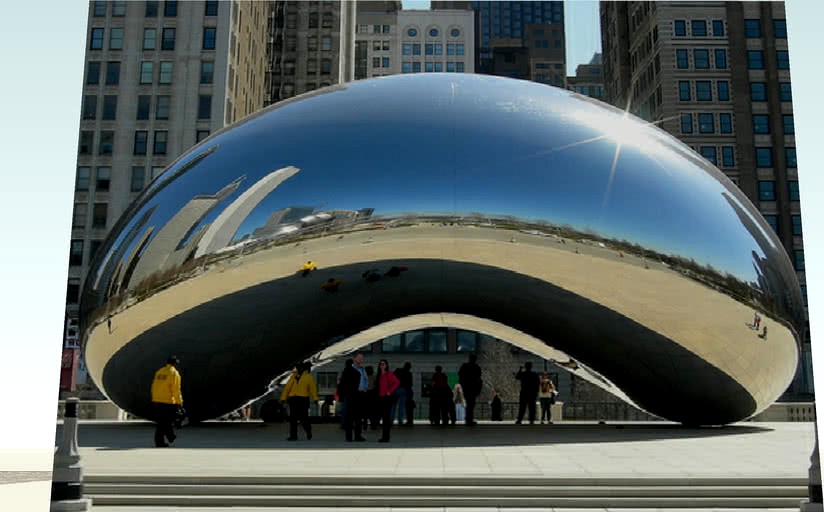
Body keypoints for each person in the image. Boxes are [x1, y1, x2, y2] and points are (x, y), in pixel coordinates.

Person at [150, 356, 184, 448]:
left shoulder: (160, 372)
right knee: (166, 422)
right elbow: (176, 389)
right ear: (175, 364)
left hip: (158, 400)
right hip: (169, 401)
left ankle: (168, 437)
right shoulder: (174, 373)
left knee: (163, 422)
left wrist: (154, 399)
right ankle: (166, 439)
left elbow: (154, 386)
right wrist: (179, 402)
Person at [280, 362, 319, 441]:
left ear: (304, 368)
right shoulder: (293, 377)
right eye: (297, 368)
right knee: (293, 419)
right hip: (293, 399)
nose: (298, 369)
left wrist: (315, 399)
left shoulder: (308, 377)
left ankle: (308, 431)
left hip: (303, 399)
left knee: (304, 418)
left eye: (300, 368)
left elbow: (313, 389)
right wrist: (283, 399)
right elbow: (287, 388)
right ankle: (293, 436)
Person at [340, 353, 368, 442]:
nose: (360, 360)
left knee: (359, 417)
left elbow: (365, 380)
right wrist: (344, 395)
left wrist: (365, 389)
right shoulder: (348, 369)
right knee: (350, 416)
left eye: (362, 358)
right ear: (354, 358)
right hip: (352, 395)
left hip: (361, 395)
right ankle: (349, 436)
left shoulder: (363, 369)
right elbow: (343, 383)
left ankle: (358, 436)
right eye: (359, 358)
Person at [376, 359, 400, 442]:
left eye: (383, 364)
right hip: (380, 398)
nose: (382, 365)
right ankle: (384, 436)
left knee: (386, 418)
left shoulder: (388, 374)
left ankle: (386, 437)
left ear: (386, 365)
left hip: (387, 398)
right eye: (380, 364)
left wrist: (390, 391)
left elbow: (397, 382)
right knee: (383, 418)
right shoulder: (379, 375)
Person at [458, 353, 482, 426]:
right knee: (471, 404)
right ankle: (469, 418)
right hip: (473, 388)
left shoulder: (464, 366)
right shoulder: (476, 367)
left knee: (468, 403)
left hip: (466, 387)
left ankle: (468, 418)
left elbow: (460, 375)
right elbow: (478, 378)